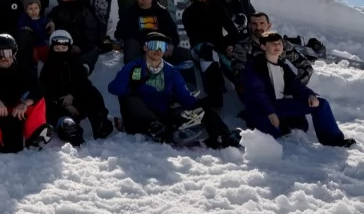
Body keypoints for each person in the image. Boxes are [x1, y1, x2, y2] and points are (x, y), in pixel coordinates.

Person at [108, 32, 240, 149]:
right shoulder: (135, 67)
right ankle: (158, 129)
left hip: (164, 114)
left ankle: (223, 136)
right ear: (145, 47)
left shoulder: (170, 70)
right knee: (131, 97)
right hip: (140, 116)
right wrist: (131, 84)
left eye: (162, 47)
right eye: (154, 45)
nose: (158, 50)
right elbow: (114, 88)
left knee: (203, 110)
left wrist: (198, 106)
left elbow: (183, 94)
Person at [239, 32, 355, 148]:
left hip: (280, 106)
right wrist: (270, 112)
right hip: (263, 109)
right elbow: (257, 93)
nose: (277, 46)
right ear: (263, 46)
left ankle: (334, 140)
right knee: (272, 134)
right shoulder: (255, 66)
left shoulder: (282, 66)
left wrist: (310, 95)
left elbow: (296, 85)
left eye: (279, 43)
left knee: (321, 104)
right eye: (272, 44)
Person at [0, 34, 53, 153]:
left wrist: (25, 104)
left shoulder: (22, 69)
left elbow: (39, 88)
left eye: (9, 54)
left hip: (17, 110)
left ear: (14, 53)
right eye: (0, 54)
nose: (5, 58)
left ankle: (34, 136)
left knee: (39, 100)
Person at [38, 31, 114, 146]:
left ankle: (99, 121)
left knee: (92, 92)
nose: (60, 52)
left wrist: (72, 96)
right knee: (52, 109)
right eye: (57, 49)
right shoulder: (48, 68)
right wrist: (64, 104)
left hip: (77, 101)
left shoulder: (75, 63)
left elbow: (83, 83)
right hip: (59, 105)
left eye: (63, 48)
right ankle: (68, 127)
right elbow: (45, 91)